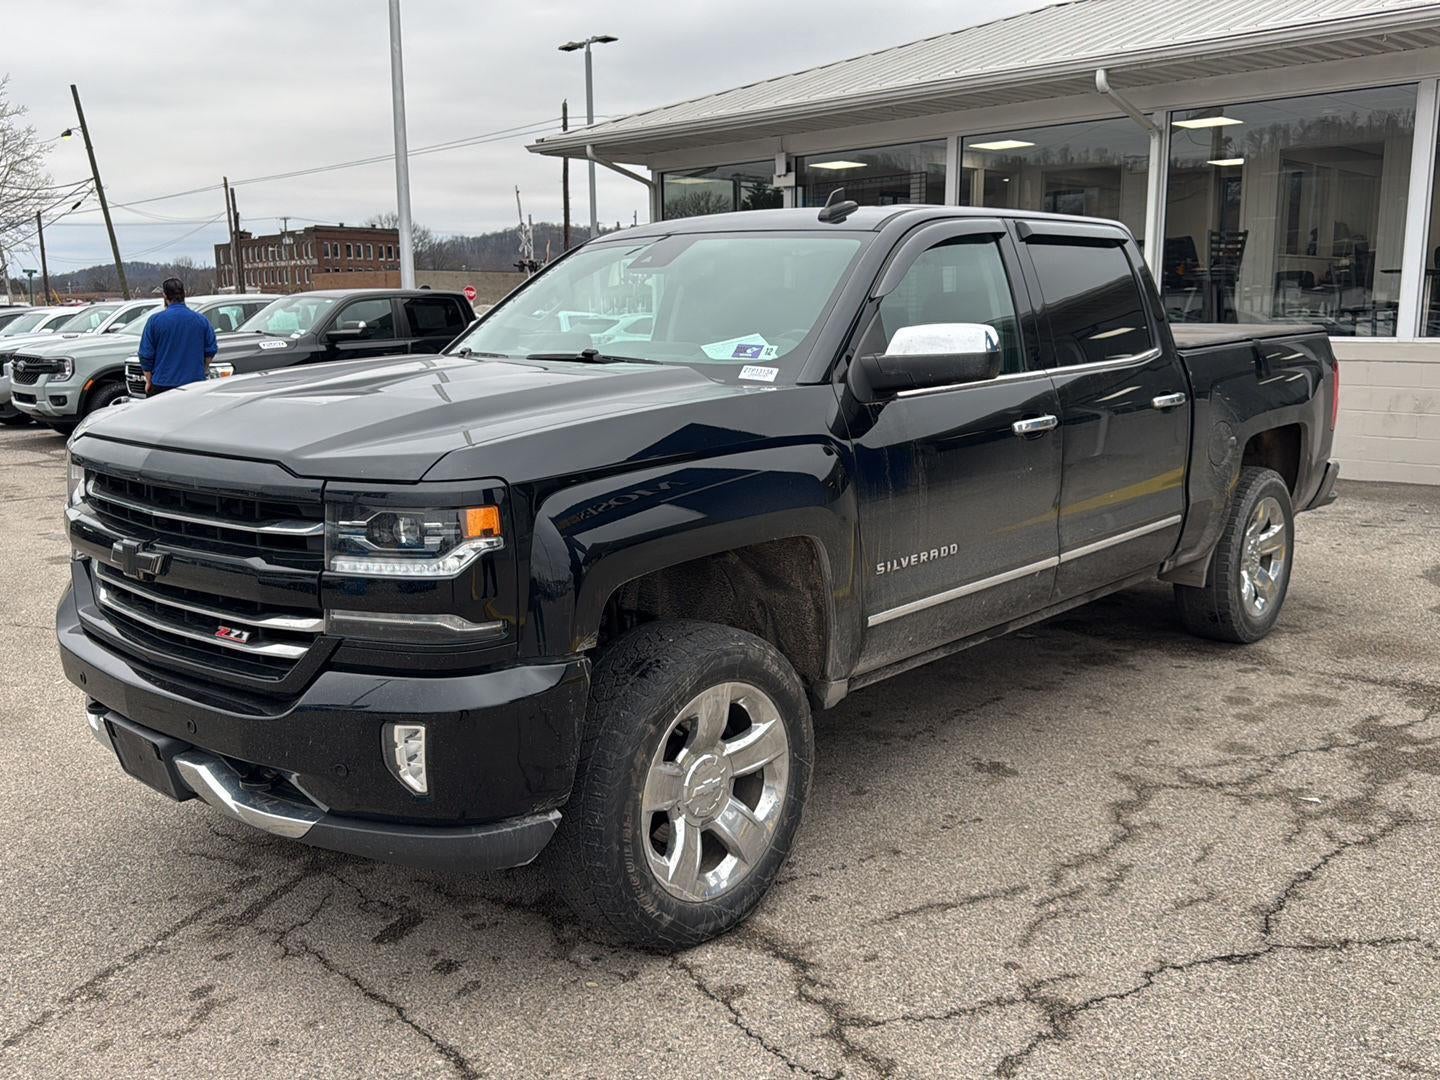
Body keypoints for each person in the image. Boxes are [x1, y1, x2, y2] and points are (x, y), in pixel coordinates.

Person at [138, 278, 218, 397]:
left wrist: (149, 380)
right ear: (184, 294)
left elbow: (145, 355)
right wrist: (202, 370)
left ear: (165, 295)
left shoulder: (155, 321)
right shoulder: (201, 321)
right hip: (194, 385)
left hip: (162, 385)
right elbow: (210, 351)